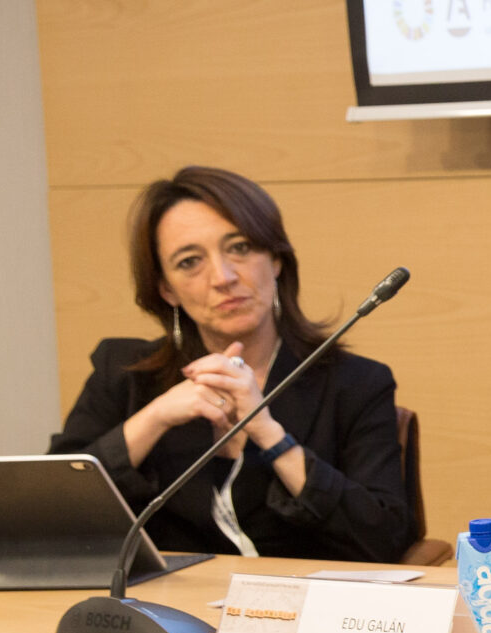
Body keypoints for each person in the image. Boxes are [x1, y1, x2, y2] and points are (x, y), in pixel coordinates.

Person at [52, 167, 412, 563]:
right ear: (167, 289)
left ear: (275, 259)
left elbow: (384, 539)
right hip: (167, 597)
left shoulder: (355, 383)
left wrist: (270, 434)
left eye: (239, 248)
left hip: (302, 597)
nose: (222, 277)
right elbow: (51, 514)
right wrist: (154, 418)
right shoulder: (124, 373)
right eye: (190, 261)